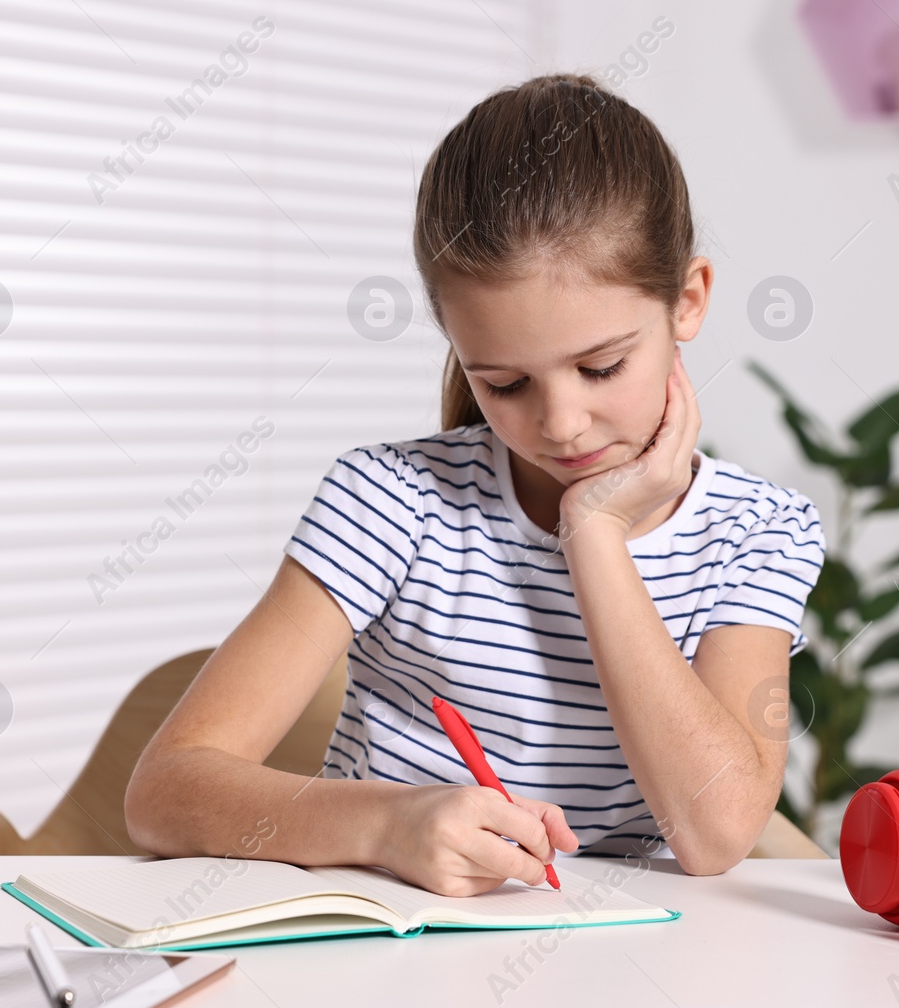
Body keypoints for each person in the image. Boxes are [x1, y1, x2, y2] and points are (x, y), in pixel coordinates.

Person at [127, 73, 826, 897]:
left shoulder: (760, 531)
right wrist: (389, 823)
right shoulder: (391, 502)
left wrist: (594, 537)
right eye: (504, 383)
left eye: (601, 366)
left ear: (689, 300)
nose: (562, 422)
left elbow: (715, 832)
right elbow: (165, 790)